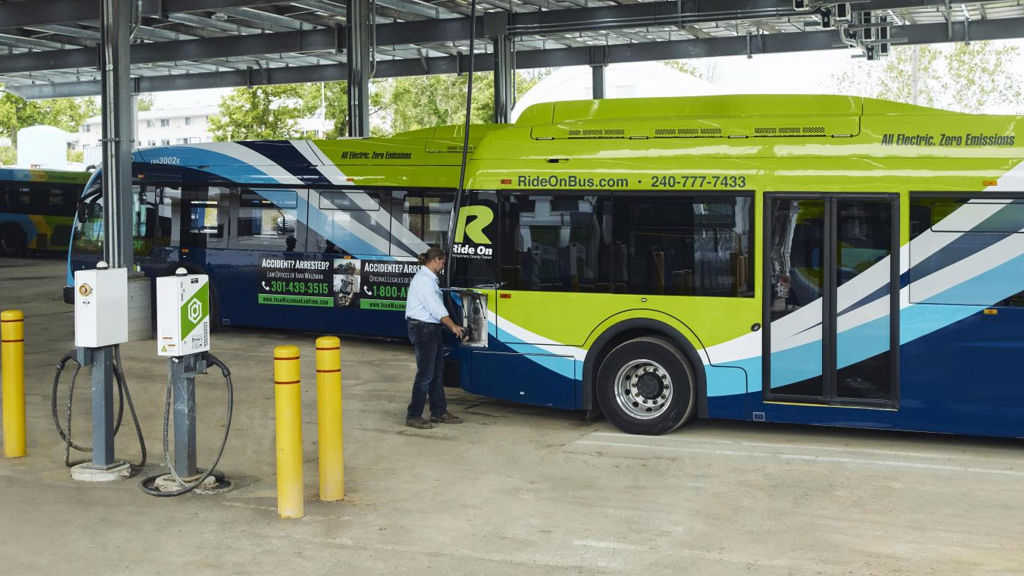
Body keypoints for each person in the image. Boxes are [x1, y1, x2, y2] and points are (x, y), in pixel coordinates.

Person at [404, 247, 465, 429]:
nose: (443, 266)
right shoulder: (424, 281)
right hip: (424, 329)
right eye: (443, 262)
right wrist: (453, 326)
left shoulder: (429, 279)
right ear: (436, 260)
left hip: (430, 329)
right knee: (425, 375)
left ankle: (439, 412)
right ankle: (413, 415)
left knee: (436, 373)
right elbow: (435, 309)